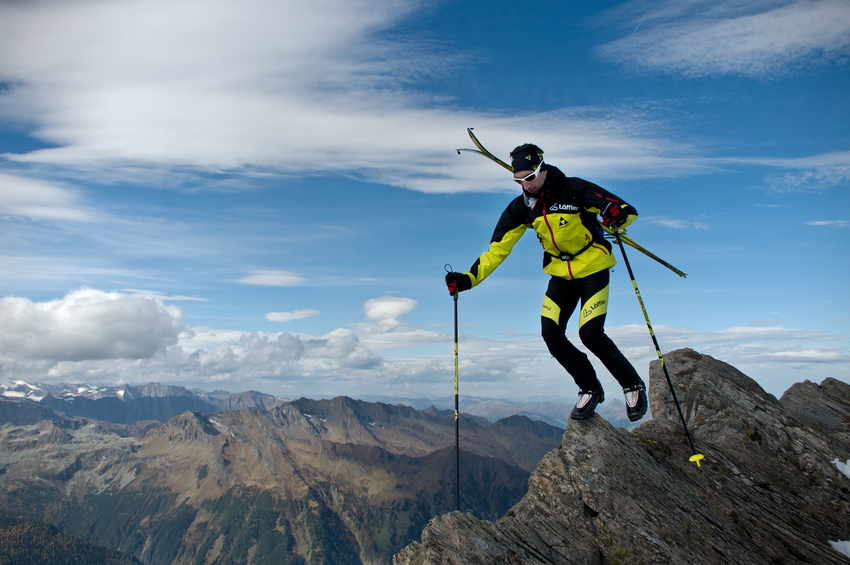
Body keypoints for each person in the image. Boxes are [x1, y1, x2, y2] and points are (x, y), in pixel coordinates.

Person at [445, 143, 648, 422]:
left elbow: (625, 209)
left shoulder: (574, 189)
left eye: (530, 178)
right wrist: (468, 279)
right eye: (518, 180)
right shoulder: (521, 209)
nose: (525, 185)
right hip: (560, 275)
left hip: (593, 267)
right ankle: (590, 388)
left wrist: (616, 215)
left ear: (542, 169)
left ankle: (632, 384)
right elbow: (497, 249)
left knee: (590, 334)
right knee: (551, 334)